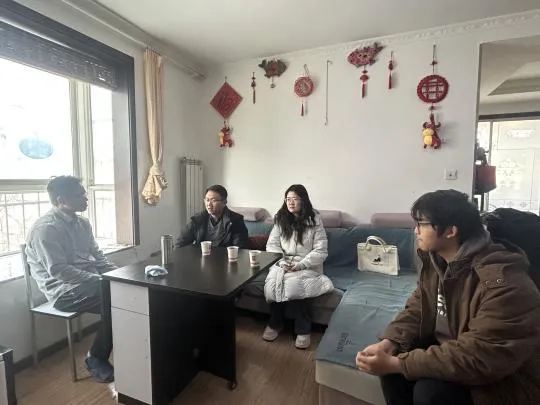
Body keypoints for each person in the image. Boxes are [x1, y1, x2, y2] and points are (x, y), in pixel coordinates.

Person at [355, 189, 540, 405]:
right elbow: (419, 306)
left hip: (504, 376)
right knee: (393, 372)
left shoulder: (504, 282)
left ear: (451, 231)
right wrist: (391, 342)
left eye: (422, 224)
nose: (415, 230)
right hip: (455, 349)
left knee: (430, 391)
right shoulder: (438, 260)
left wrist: (399, 364)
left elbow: (481, 355)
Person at [25, 176, 117, 383]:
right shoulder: (46, 229)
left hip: (91, 283)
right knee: (117, 299)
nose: (86, 198)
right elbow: (60, 271)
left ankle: (125, 350)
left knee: (128, 292)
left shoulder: (83, 223)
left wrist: (120, 275)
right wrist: (101, 280)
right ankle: (96, 358)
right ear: (61, 200)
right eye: (79, 195)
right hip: (64, 293)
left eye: (84, 193)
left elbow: (98, 257)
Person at [263, 184, 332, 349]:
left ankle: (303, 329)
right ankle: (275, 323)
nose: (291, 202)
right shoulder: (280, 218)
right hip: (283, 261)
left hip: (307, 263)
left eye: (295, 199)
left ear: (303, 200)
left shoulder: (315, 220)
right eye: (288, 199)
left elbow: (321, 250)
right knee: (275, 281)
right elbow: (272, 244)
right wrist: (281, 261)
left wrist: (301, 264)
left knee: (298, 285)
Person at [175, 184, 249, 249]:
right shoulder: (198, 219)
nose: (209, 204)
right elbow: (180, 244)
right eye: (207, 200)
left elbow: (240, 249)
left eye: (213, 200)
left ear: (224, 202)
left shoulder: (235, 220)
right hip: (201, 259)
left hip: (224, 259)